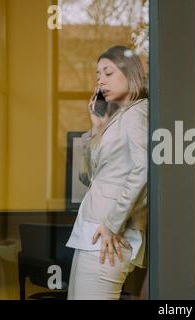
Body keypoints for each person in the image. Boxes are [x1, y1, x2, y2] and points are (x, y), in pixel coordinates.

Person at [66, 45, 148, 300]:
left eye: (108, 72)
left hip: (110, 236)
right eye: (98, 75)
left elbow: (144, 169)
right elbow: (90, 177)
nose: (101, 80)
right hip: (95, 231)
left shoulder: (137, 113)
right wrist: (98, 126)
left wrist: (113, 224)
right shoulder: (119, 117)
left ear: (130, 73)